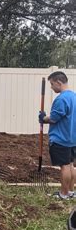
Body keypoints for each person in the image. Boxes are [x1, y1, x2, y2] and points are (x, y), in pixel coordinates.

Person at [39, 71, 76, 199]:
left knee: (64, 166)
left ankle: (64, 194)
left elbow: (54, 118)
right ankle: (71, 192)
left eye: (52, 84)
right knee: (71, 165)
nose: (51, 87)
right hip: (72, 138)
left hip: (61, 138)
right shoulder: (74, 96)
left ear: (59, 83)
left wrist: (43, 118)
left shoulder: (61, 99)